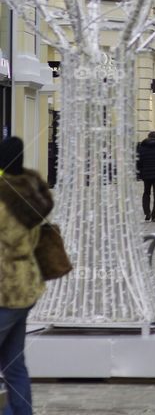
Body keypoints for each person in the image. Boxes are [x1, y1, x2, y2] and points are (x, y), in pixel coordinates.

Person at [0, 136, 53, 415]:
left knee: (14, 363)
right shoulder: (31, 192)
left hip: (6, 290)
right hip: (26, 287)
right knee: (13, 363)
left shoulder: (5, 198)